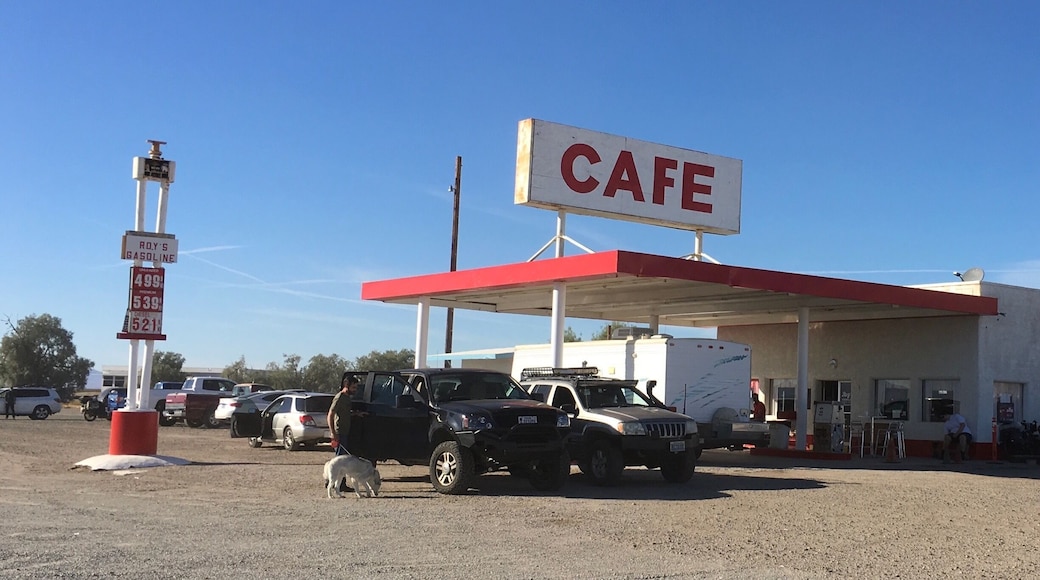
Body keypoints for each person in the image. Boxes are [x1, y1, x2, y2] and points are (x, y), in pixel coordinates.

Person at [328, 373, 360, 456]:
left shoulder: (348, 398)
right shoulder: (339, 397)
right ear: (346, 385)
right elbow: (330, 415)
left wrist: (357, 414)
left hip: (345, 432)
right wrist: (333, 433)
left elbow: (345, 413)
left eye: (356, 388)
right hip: (339, 433)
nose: (355, 390)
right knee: (339, 458)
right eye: (353, 387)